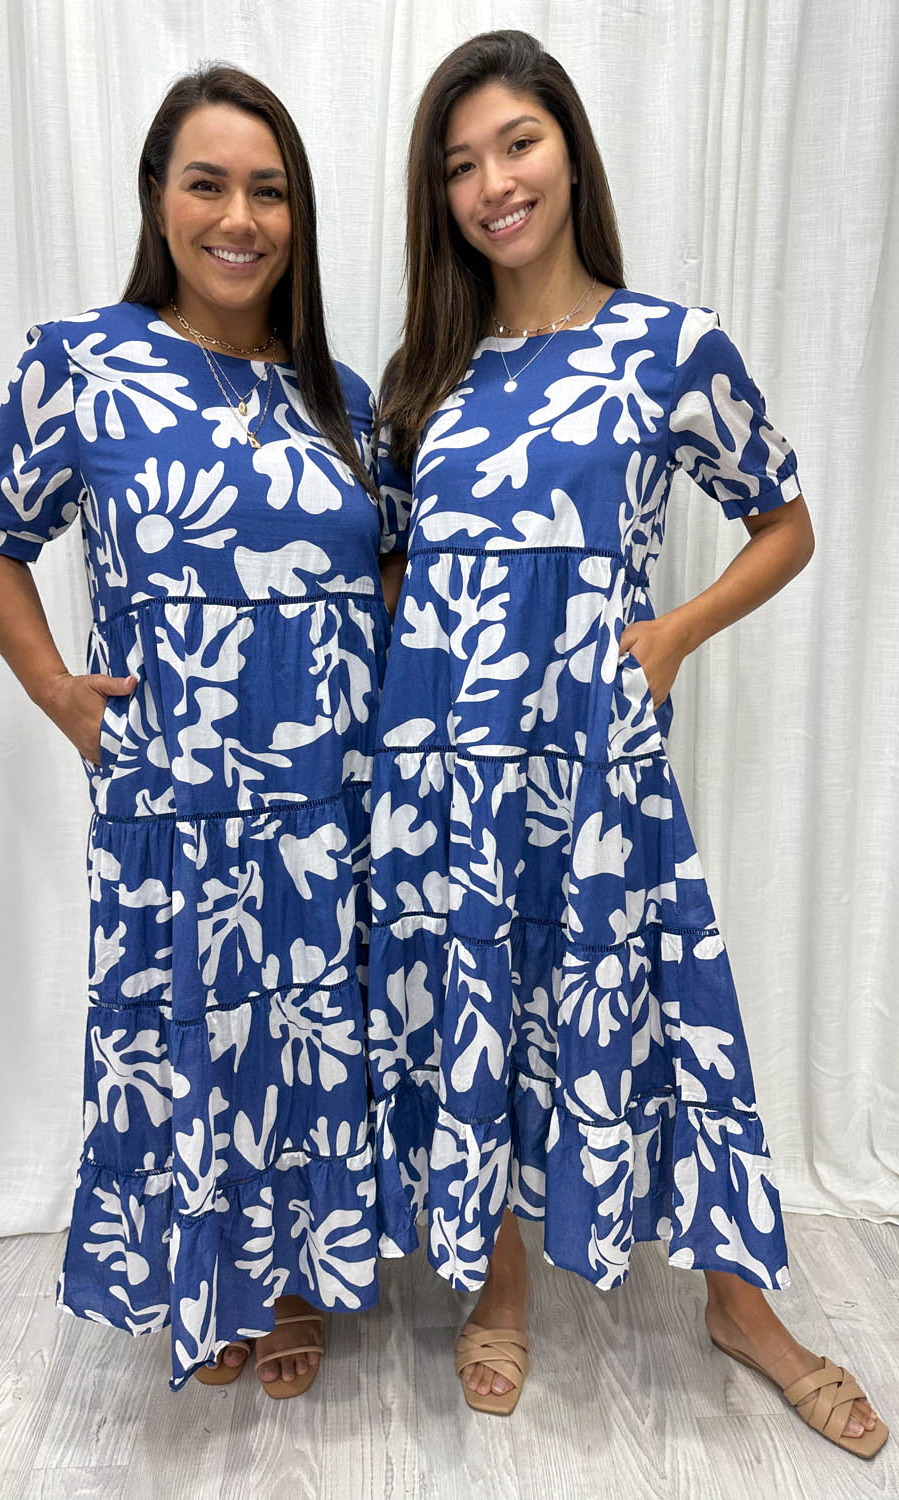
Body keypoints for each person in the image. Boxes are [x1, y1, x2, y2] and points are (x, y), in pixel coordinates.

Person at [368, 29, 886, 1455]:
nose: (493, 184)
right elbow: (401, 566)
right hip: (449, 773)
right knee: (477, 1002)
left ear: (570, 152)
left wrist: (672, 636)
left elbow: (785, 522)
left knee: (664, 1009)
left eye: (517, 144)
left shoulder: (669, 345)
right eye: (460, 164)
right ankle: (500, 1282)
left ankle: (742, 1306)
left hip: (597, 763)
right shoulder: (429, 374)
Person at [0, 64, 407, 1397]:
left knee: (310, 1035)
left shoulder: (341, 395)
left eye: (270, 191)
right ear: (159, 198)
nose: (240, 218)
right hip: (175, 793)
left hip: (328, 798)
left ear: (299, 214)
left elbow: (388, 564)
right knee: (194, 1040)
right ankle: (203, 1279)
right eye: (209, 184)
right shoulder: (81, 362)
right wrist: (54, 686)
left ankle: (296, 1276)